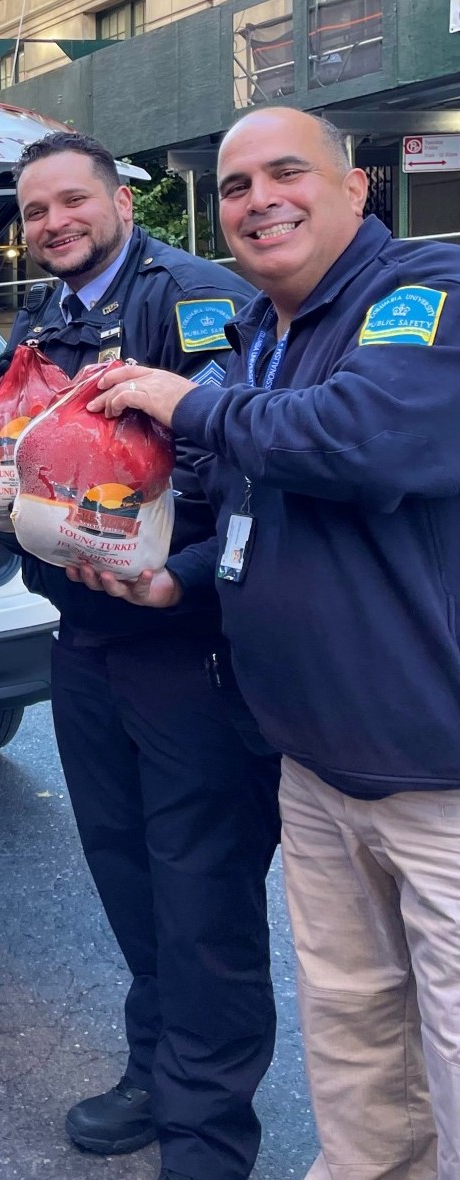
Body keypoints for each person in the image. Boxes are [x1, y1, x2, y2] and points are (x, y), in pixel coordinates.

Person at [90, 106, 460, 1179]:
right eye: (237, 186)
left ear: (354, 189)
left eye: (283, 173)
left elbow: (359, 442)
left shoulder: (422, 293)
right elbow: (255, 512)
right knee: (350, 1032)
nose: (257, 201)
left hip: (435, 773)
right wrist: (173, 576)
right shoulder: (259, 332)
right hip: (310, 761)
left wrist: (183, 403)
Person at [0, 131, 282, 1180]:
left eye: (71, 201)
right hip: (85, 635)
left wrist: (180, 575)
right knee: (123, 870)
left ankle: (204, 1136)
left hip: (179, 646)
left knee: (199, 890)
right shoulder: (41, 317)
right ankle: (156, 1067)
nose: (53, 223)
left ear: (119, 199)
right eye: (35, 211)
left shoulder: (192, 296)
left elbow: (233, 460)